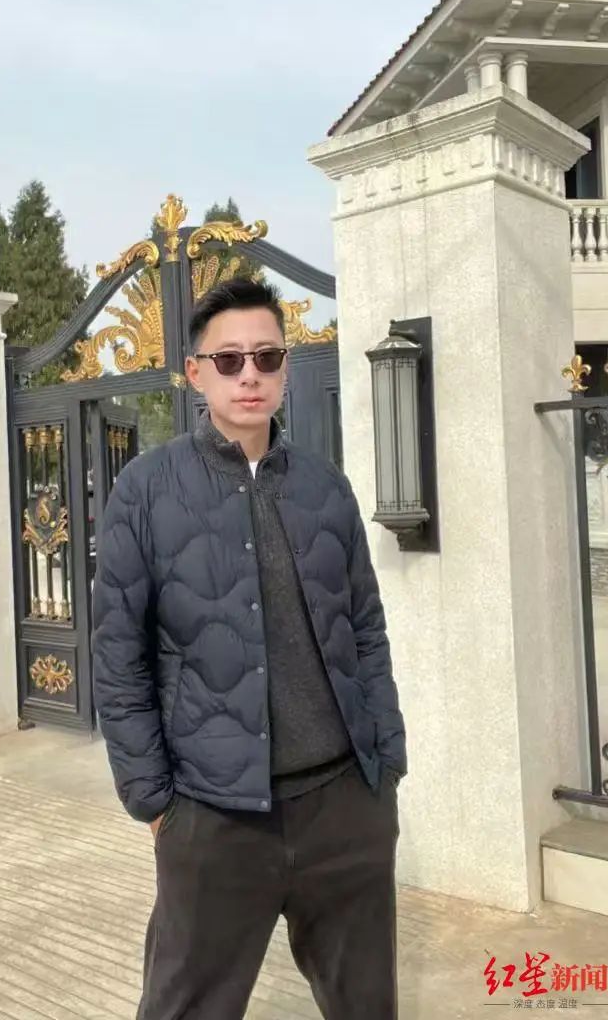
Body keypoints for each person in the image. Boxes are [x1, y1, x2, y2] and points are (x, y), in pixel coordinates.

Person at [92, 277, 406, 1020]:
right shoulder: (146, 491)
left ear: (285, 367)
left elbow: (366, 627)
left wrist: (386, 761)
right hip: (215, 817)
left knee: (368, 1005)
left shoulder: (325, 487)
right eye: (228, 360)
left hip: (344, 807)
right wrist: (155, 802)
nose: (250, 376)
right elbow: (119, 657)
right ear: (195, 373)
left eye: (266, 357)